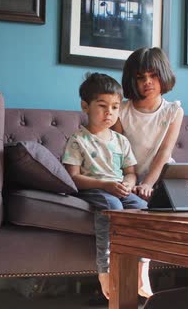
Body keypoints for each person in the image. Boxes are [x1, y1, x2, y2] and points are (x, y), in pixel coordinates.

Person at [62, 72, 151, 300]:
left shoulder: (121, 141)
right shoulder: (77, 140)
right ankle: (105, 270)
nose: (109, 113)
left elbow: (131, 173)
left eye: (114, 107)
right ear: (85, 106)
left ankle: (143, 268)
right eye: (102, 106)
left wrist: (128, 185)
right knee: (112, 206)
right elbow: (73, 177)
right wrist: (107, 185)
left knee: (143, 209)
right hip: (95, 189)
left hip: (116, 189)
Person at [112, 47, 184, 296]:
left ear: (163, 76)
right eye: (140, 77)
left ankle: (143, 267)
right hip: (128, 171)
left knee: (174, 196)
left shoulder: (173, 111)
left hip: (160, 174)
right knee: (129, 206)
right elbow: (121, 150)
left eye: (153, 76)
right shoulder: (120, 109)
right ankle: (129, 268)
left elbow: (164, 153)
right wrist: (131, 179)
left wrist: (149, 183)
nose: (147, 82)